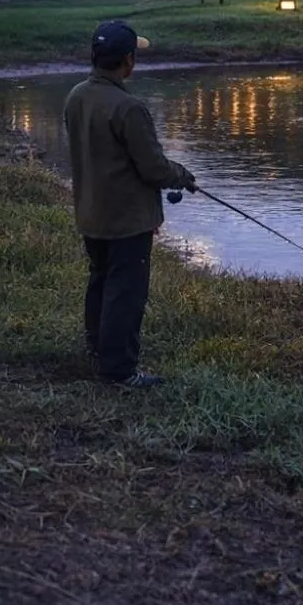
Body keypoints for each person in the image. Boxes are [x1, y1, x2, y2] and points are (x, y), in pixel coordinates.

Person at [63, 21, 195, 387]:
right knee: (126, 294)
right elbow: (154, 168)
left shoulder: (76, 96)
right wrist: (181, 175)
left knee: (101, 282)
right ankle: (119, 371)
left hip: (91, 213)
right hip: (127, 220)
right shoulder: (128, 107)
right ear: (129, 61)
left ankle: (97, 350)